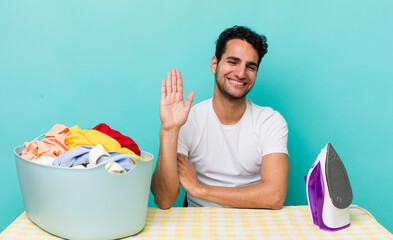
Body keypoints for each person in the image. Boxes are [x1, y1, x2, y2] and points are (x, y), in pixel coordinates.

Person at [151, 26, 289, 210]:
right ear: (214, 64)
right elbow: (163, 199)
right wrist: (169, 130)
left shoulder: (270, 121)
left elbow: (275, 196)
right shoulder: (188, 119)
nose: (241, 73)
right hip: (199, 224)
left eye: (250, 67)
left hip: (254, 224)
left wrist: (200, 190)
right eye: (233, 62)